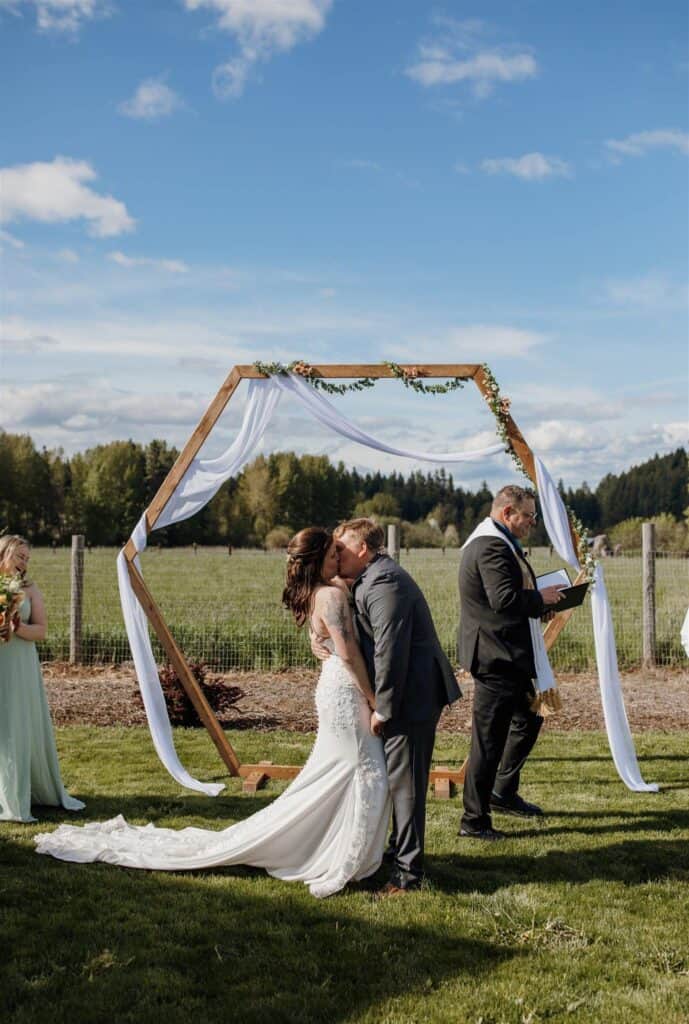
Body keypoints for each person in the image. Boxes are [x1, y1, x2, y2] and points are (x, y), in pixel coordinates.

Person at [35, 527, 391, 899]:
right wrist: (374, 698)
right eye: (333, 552)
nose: (339, 556)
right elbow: (348, 653)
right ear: (319, 559)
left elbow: (333, 639)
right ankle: (339, 852)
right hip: (346, 690)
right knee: (363, 770)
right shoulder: (332, 594)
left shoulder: (326, 591)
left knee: (340, 771)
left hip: (336, 686)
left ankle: (325, 843)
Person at [315, 518, 461, 895]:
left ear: (362, 549)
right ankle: (400, 854)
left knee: (406, 784)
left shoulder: (385, 582)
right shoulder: (370, 577)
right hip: (406, 692)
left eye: (342, 549)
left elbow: (390, 650)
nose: (337, 555)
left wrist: (384, 708)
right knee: (400, 780)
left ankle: (407, 876)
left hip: (411, 696)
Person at [457, 485, 564, 841]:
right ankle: (474, 821)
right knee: (487, 742)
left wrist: (540, 604)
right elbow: (502, 599)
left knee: (535, 714)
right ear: (507, 513)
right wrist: (539, 598)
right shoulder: (490, 545)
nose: (532, 523)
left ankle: (503, 791)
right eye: (529, 516)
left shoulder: (501, 543)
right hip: (495, 657)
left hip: (512, 654)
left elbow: (512, 595)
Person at [0, 535, 85, 823]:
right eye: (20, 555)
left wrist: (16, 627)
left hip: (19, 665)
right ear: (5, 553)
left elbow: (41, 631)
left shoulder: (29, 589)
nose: (24, 562)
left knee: (15, 724)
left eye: (27, 558)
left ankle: (15, 793)